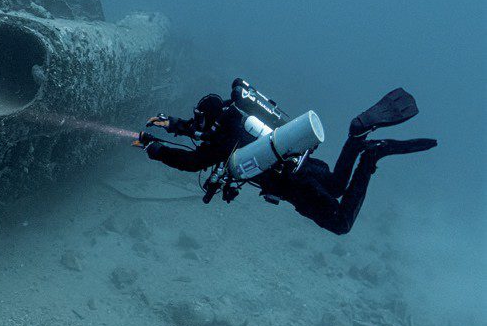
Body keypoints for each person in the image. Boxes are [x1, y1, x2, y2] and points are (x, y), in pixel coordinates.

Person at [137, 82, 436, 235]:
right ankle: (356, 140)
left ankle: (369, 154)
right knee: (335, 185)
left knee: (342, 223)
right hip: (304, 162)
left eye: (199, 120)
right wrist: (174, 125)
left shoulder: (221, 143)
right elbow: (202, 131)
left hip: (295, 186)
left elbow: (191, 162)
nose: (197, 124)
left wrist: (156, 150)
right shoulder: (235, 116)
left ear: (212, 120)